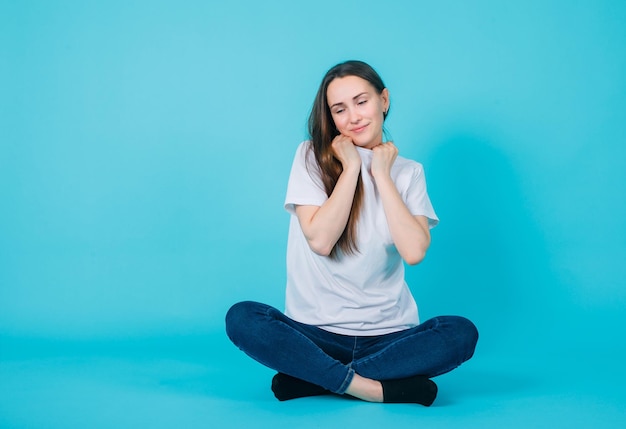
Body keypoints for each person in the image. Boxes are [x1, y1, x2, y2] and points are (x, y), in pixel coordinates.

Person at [225, 60, 478, 406]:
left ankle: (314, 377)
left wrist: (382, 175)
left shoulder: (409, 173)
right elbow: (321, 240)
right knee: (243, 318)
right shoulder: (310, 157)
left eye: (362, 102)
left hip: (388, 336)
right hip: (314, 332)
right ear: (330, 117)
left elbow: (415, 251)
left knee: (460, 333)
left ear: (383, 101)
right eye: (339, 109)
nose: (353, 116)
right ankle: (372, 388)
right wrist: (353, 168)